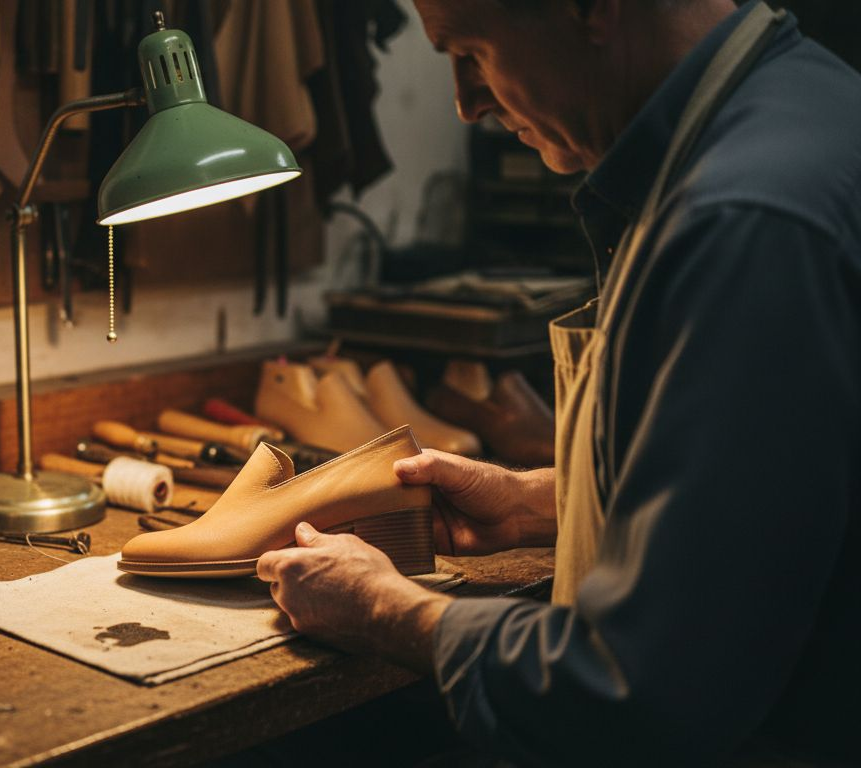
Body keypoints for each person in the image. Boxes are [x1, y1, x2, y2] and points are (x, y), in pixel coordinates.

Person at [257, 0, 861, 764]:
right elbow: (786, 496)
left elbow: (636, 692)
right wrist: (547, 503)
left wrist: (384, 608)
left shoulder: (741, 220)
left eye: (471, 51)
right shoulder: (807, 106)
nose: (465, 103)